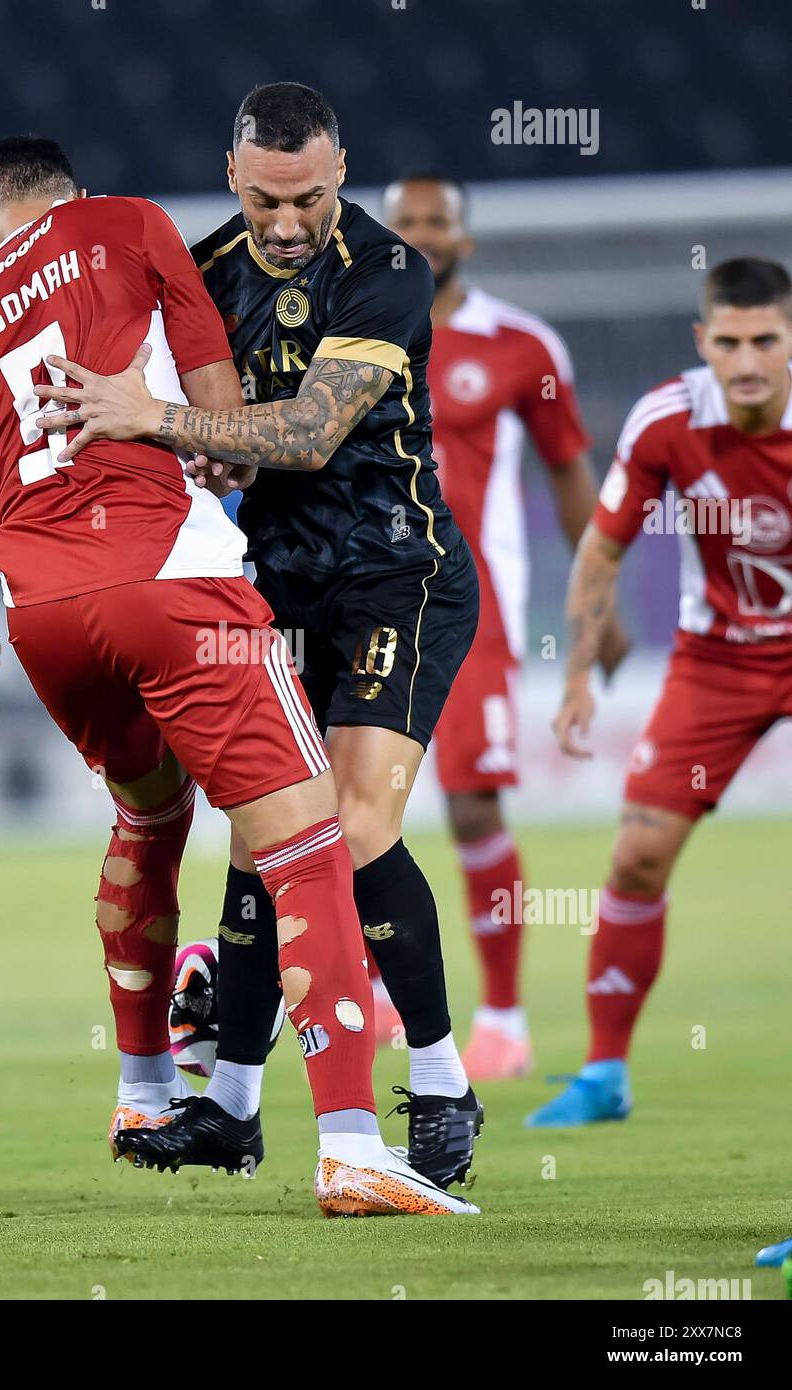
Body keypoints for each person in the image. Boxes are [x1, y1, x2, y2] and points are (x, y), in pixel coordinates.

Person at [0, 134, 478, 1217]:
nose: (281, 217)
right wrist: (176, 429)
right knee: (311, 843)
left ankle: (145, 1092)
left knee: (154, 815)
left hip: (46, 615)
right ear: (69, 198)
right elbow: (222, 420)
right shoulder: (129, 224)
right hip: (178, 585)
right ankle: (355, 1145)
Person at [529, 257, 792, 1126]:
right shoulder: (666, 420)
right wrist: (575, 676)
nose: (747, 360)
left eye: (766, 340)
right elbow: (602, 549)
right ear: (702, 341)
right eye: (730, 341)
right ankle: (604, 1074)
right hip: (717, 663)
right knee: (637, 855)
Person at [378, 174, 628, 1078]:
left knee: (475, 802)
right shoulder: (341, 328)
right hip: (359, 599)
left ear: (464, 239)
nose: (419, 235)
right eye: (403, 222)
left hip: (470, 607)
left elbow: (572, 477)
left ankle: (507, 1020)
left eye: (436, 222)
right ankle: (368, 997)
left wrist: (601, 613)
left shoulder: (524, 346)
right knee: (343, 804)